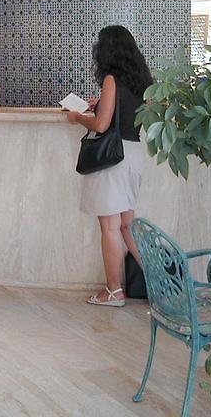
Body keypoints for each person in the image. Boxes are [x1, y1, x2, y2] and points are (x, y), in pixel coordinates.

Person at [66, 25, 152, 306]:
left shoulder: (111, 79)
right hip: (134, 154)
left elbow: (102, 125)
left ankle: (114, 291)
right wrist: (101, 103)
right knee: (127, 225)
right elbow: (123, 112)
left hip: (114, 158)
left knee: (110, 227)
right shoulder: (141, 80)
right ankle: (160, 284)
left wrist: (78, 117)